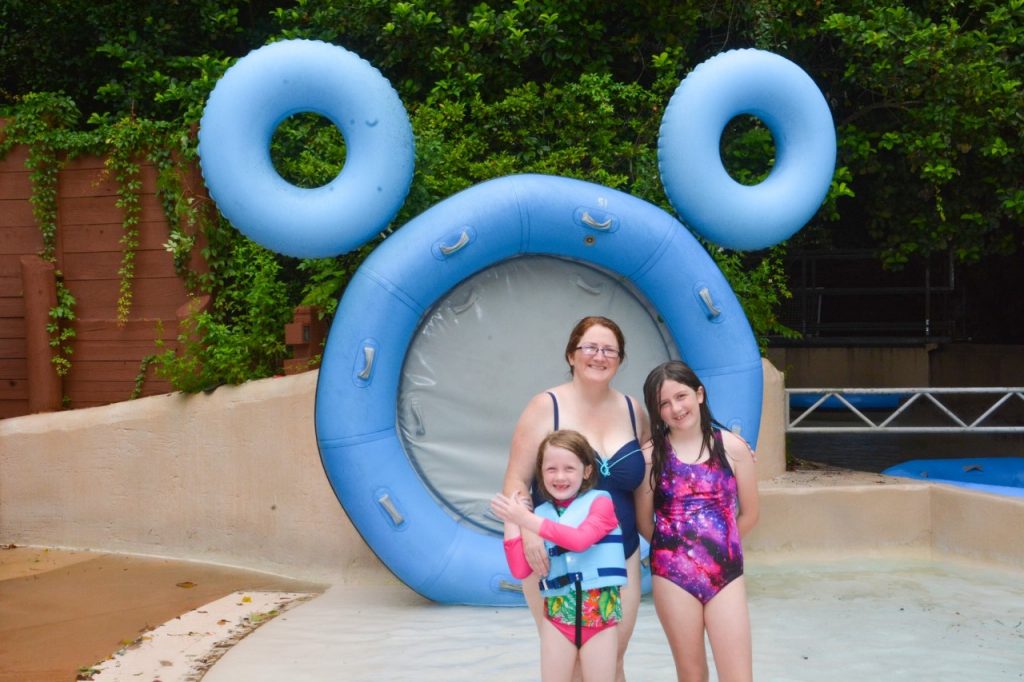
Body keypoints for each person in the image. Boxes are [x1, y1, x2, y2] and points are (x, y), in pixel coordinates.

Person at [503, 316, 650, 682]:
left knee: (612, 660)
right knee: (571, 666)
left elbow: (658, 464)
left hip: (620, 554)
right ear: (572, 354)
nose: (599, 356)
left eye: (609, 350)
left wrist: (729, 446)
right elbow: (516, 479)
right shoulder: (544, 407)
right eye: (590, 347)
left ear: (619, 359)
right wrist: (529, 533)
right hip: (550, 556)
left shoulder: (634, 410)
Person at [636, 360, 759, 682]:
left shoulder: (732, 447)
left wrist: (718, 548)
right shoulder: (651, 456)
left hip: (725, 573)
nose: (676, 408)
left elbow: (750, 514)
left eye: (681, 396)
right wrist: (676, 552)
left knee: (738, 675)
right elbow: (643, 521)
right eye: (664, 403)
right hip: (673, 576)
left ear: (699, 394)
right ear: (657, 411)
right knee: (691, 674)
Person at [492, 430, 626, 682]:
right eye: (551, 469)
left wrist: (525, 519)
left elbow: (579, 540)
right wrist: (512, 521)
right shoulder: (540, 513)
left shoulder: (602, 503)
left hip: (600, 621)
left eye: (569, 468)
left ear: (586, 471)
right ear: (541, 473)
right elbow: (520, 570)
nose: (560, 476)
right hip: (557, 621)